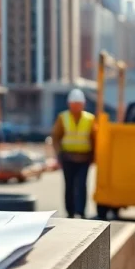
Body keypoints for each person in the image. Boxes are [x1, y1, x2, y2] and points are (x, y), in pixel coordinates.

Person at [51, 89, 97, 218]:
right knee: (69, 185)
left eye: (78, 104)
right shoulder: (63, 117)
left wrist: (94, 156)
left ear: (83, 104)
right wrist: (59, 154)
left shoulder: (90, 119)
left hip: (84, 158)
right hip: (67, 158)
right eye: (74, 104)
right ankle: (70, 211)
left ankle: (81, 211)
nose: (76, 107)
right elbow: (56, 137)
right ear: (69, 104)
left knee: (82, 185)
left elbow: (94, 138)